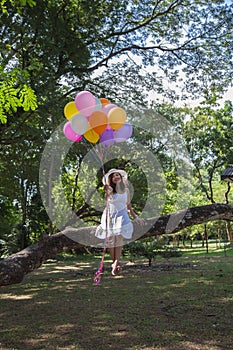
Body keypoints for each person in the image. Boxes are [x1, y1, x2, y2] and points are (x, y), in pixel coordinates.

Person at [95, 168, 144, 276]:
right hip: (110, 215)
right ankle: (114, 264)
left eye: (118, 175)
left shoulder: (126, 190)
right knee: (112, 239)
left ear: (121, 178)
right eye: (113, 176)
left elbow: (128, 207)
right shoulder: (110, 190)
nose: (116, 177)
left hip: (122, 216)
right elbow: (109, 200)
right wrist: (108, 191)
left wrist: (136, 218)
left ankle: (116, 263)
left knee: (119, 237)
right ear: (111, 179)